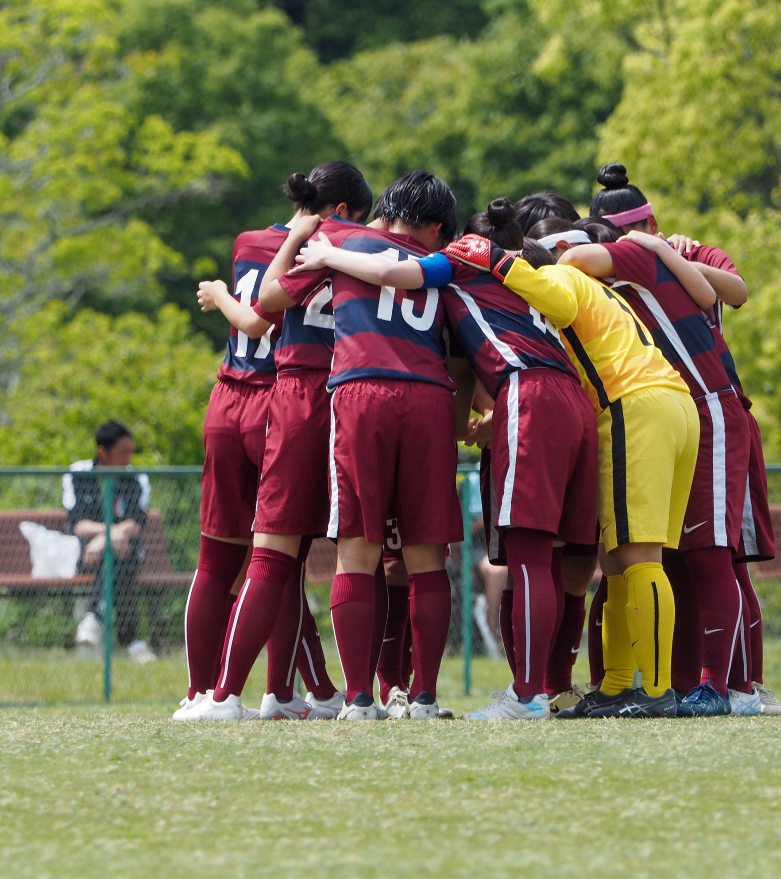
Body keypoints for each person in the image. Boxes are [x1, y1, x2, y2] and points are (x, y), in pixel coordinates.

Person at [295, 198, 597, 721]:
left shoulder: (459, 259)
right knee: (548, 556)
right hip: (574, 400)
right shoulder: (526, 270)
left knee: (519, 552)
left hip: (516, 392)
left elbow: (392, 271)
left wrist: (327, 252)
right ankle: (522, 688)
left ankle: (524, 696)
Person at [445, 214, 700, 719]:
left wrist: (497, 263)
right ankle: (623, 683)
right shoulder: (606, 295)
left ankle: (656, 692)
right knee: (622, 561)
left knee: (641, 558)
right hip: (672, 406)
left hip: (634, 407)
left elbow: (555, 300)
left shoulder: (562, 275)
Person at [261, 170, 473, 721]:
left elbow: (268, 297)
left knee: (357, 548)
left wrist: (300, 241)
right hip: (428, 396)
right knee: (427, 555)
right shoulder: (440, 269)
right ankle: (423, 697)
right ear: (432, 226)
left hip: (361, 391)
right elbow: (459, 355)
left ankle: (358, 699)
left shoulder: (341, 243)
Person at [587, 164, 781, 715]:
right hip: (665, 413)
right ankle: (659, 683)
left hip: (715, 407)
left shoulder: (681, 252)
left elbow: (735, 291)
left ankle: (735, 686)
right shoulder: (623, 269)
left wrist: (666, 253)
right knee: (659, 556)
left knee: (720, 555)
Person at [178, 162, 370, 721]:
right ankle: (281, 691)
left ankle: (200, 691)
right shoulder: (342, 243)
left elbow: (249, 318)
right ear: (342, 213)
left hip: (227, 396)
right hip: (283, 399)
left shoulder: (248, 242)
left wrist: (216, 292)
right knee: (280, 556)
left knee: (220, 558)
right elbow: (267, 317)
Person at [64, 421, 150, 656]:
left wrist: (108, 538)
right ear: (103, 452)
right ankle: (132, 641)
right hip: (89, 553)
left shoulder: (136, 478)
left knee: (119, 553)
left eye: (131, 452)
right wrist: (110, 535)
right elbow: (78, 524)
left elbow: (136, 522)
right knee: (118, 554)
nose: (128, 458)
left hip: (123, 550)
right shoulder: (78, 474)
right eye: (123, 453)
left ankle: (94, 617)